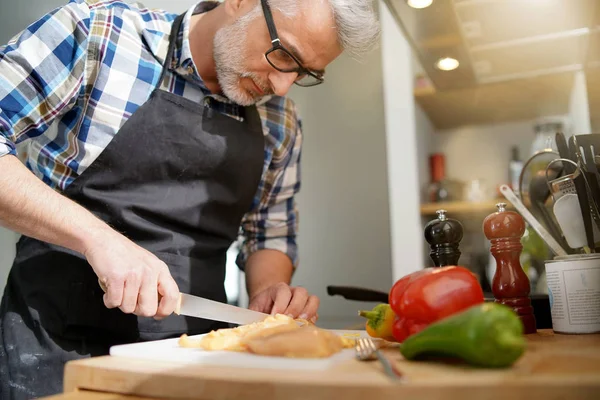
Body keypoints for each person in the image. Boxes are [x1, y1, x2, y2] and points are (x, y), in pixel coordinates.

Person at [0, 0, 379, 397]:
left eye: (304, 73)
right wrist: (98, 238)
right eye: (284, 55)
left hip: (198, 353)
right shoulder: (100, 34)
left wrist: (268, 289)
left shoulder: (280, 120)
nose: (282, 86)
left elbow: (269, 233)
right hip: (53, 345)